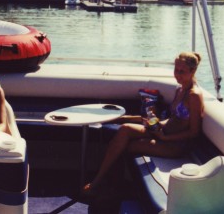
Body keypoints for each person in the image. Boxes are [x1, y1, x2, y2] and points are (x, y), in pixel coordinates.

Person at [82, 51, 204, 196]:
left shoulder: (194, 95)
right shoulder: (180, 89)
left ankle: (106, 186)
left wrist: (165, 138)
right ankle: (102, 181)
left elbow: (193, 132)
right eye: (175, 70)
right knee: (125, 129)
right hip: (162, 132)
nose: (177, 74)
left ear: (193, 71)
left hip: (175, 145)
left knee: (127, 146)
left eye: (181, 71)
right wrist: (154, 123)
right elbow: (174, 119)